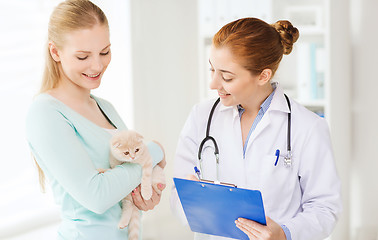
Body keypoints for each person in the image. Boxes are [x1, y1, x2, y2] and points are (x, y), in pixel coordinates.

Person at [170, 17, 342, 240]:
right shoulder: (201, 117)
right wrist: (193, 199)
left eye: (227, 76)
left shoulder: (307, 126)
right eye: (212, 70)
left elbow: (325, 207)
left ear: (263, 75)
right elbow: (177, 194)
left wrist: (284, 233)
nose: (213, 84)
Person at [25, 0, 166, 239]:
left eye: (104, 52)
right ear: (55, 52)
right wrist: (155, 150)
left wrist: (149, 189)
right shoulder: (45, 113)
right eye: (83, 56)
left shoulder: (106, 107)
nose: (98, 65)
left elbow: (126, 180)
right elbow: (97, 195)